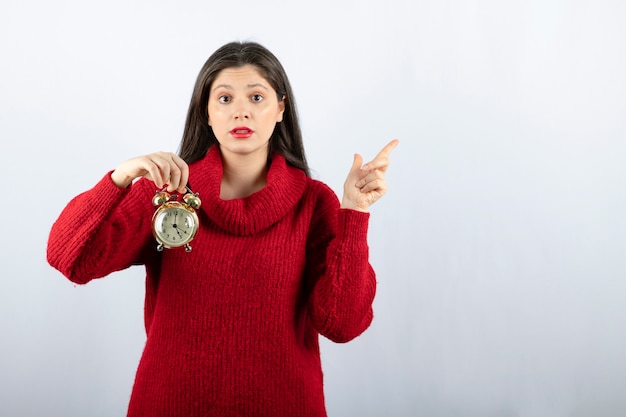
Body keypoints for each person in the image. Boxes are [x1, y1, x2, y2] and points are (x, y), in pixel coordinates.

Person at [47, 41, 398, 417]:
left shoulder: (315, 203)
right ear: (207, 113)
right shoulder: (165, 192)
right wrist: (121, 177)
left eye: (257, 97)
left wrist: (354, 214)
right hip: (170, 404)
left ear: (281, 108)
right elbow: (71, 259)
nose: (241, 112)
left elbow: (342, 324)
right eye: (225, 99)